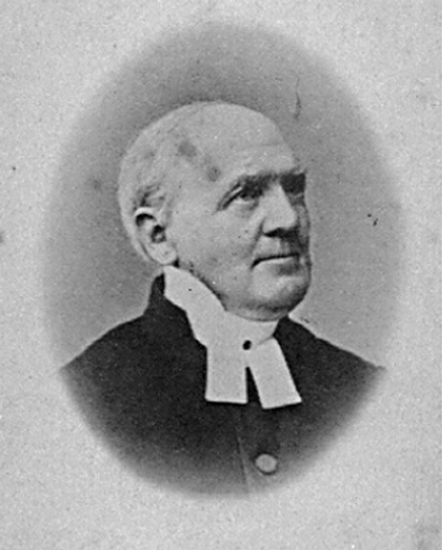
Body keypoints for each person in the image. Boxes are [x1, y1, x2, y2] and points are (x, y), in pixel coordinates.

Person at [63, 102, 382, 495]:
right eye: (246, 193)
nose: (288, 218)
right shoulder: (88, 401)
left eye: (293, 187)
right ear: (158, 236)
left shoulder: (362, 390)